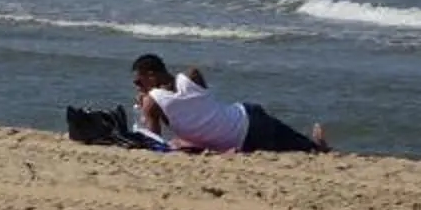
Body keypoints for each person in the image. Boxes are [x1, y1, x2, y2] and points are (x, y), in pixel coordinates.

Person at [130, 53, 329, 153]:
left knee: (301, 149)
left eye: (139, 81)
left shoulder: (152, 102)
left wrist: (146, 107)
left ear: (151, 75)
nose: (138, 87)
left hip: (243, 136)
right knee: (302, 148)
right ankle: (316, 144)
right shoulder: (191, 77)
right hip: (246, 117)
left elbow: (153, 141)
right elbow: (196, 110)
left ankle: (317, 145)